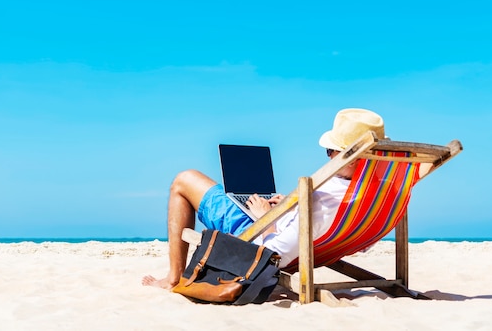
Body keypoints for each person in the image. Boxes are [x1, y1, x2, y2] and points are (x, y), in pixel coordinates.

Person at [142, 108, 386, 290]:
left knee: (184, 180)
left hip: (257, 235)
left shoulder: (322, 196)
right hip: (303, 237)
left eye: (331, 151)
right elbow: (363, 244)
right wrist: (289, 208)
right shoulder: (378, 192)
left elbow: (275, 255)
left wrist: (265, 218)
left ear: (351, 158)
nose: (328, 156)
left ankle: (173, 278)